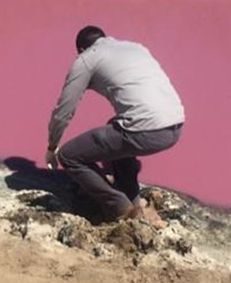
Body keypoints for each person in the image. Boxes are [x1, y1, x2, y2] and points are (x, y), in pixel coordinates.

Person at [46, 26, 185, 223]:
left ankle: (117, 206)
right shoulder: (136, 48)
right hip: (176, 125)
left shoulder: (86, 59)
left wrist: (52, 146)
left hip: (145, 130)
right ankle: (132, 199)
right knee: (116, 130)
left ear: (80, 50)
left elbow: (63, 111)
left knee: (68, 156)